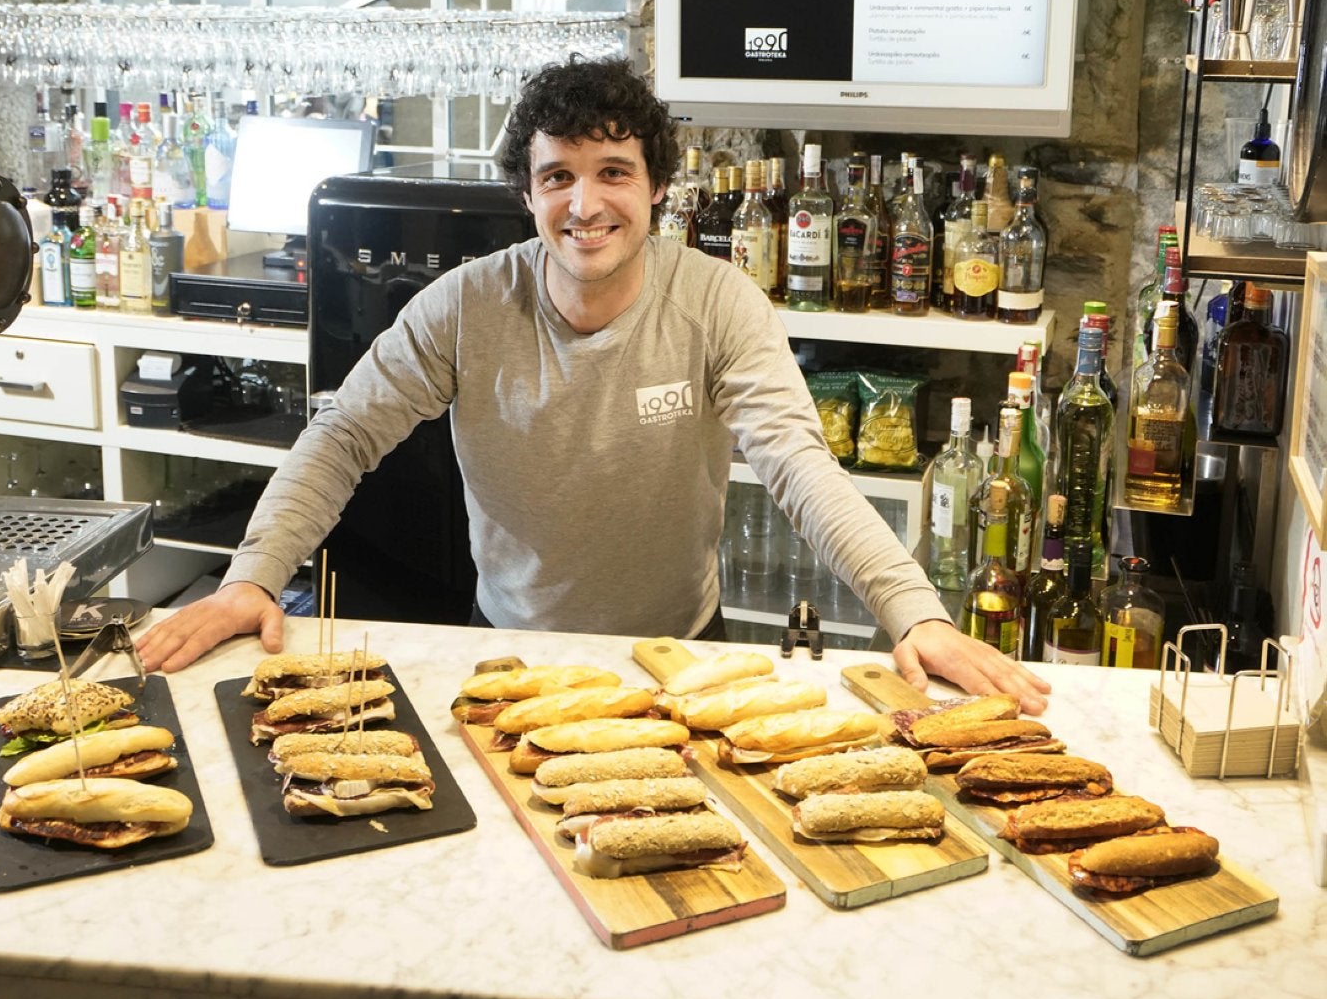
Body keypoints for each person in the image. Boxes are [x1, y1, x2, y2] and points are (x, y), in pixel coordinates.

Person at [136, 56, 1049, 712]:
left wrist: (913, 611)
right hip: (509, 650)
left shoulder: (717, 303)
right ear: (527, 195)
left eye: (614, 173)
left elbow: (799, 468)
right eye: (558, 177)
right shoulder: (463, 307)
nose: (585, 204)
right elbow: (341, 439)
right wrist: (251, 578)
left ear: (656, 189)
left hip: (682, 655)